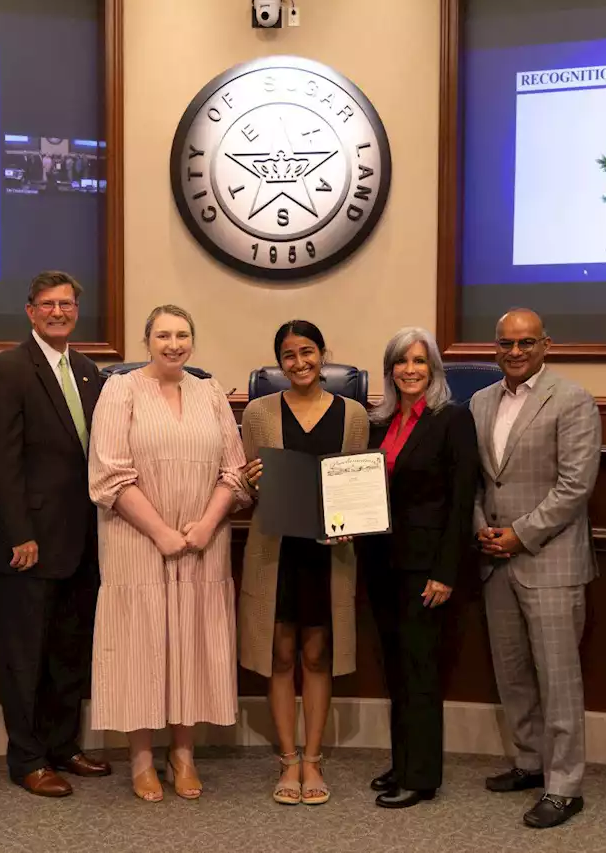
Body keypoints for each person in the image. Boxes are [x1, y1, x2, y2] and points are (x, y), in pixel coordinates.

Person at [88, 305, 251, 803]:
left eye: (182, 335)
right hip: (136, 541)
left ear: (192, 342)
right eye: (163, 335)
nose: (173, 344)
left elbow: (235, 470)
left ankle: (183, 754)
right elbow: (109, 472)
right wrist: (160, 532)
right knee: (141, 646)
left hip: (203, 543)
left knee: (190, 644)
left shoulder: (210, 392)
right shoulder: (121, 390)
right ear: (147, 341)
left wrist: (204, 525)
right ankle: (140, 759)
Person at [0, 271, 111, 798]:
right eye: (48, 304)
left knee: (68, 651)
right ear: (30, 311)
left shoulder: (86, 371)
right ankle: (27, 757)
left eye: (67, 303)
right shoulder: (8, 369)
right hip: (28, 542)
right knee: (24, 656)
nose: (59, 312)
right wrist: (18, 533)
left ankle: (62, 745)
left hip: (81, 538)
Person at [472, 309, 601, 829]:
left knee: (558, 678)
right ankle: (529, 762)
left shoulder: (572, 399)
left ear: (546, 344)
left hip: (549, 558)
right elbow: (479, 481)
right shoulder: (480, 401)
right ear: (495, 347)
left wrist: (520, 534)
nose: (516, 352)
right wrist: (482, 527)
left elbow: (575, 485)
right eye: (506, 343)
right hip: (494, 558)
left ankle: (565, 785)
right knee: (513, 672)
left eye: (526, 343)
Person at [238, 320, 370, 806]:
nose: (300, 363)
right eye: (289, 355)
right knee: (279, 654)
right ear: (279, 363)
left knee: (318, 656)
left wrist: (356, 516)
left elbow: (355, 482)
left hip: (328, 554)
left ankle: (313, 758)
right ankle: (287, 759)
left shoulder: (353, 413)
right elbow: (251, 485)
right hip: (275, 551)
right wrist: (252, 479)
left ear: (323, 355)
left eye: (308, 352)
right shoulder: (257, 412)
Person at [357, 327, 477, 809]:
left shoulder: (453, 420)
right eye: (400, 362)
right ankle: (403, 762)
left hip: (425, 568)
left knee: (420, 668)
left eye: (419, 361)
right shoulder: (380, 422)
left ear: (434, 369)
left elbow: (462, 499)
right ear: (389, 371)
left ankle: (422, 775)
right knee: (396, 669)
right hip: (382, 562)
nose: (410, 370)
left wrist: (445, 572)